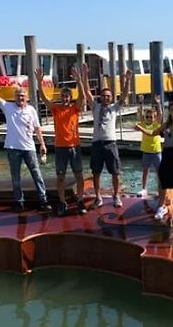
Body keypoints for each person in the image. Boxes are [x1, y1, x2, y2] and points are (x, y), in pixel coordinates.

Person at [0, 73, 51, 212]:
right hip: (13, 147)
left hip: (29, 148)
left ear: (26, 98)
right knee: (16, 177)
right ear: (14, 97)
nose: (20, 98)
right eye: (18, 96)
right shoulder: (8, 107)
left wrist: (42, 144)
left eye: (23, 96)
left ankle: (43, 199)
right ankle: (19, 201)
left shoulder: (31, 110)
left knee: (37, 174)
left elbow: (37, 128)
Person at [35, 64, 87, 216]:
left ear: (71, 98)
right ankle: (62, 202)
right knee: (60, 177)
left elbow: (83, 97)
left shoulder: (75, 109)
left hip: (74, 146)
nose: (65, 99)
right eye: (63, 96)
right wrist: (39, 82)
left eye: (67, 96)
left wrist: (79, 80)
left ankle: (80, 200)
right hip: (60, 148)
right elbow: (43, 98)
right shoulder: (56, 108)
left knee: (79, 175)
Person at [82, 68, 133, 208]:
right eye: (104, 95)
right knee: (96, 172)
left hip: (111, 143)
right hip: (97, 143)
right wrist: (85, 76)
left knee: (115, 172)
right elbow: (87, 92)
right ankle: (98, 197)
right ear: (100, 97)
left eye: (109, 96)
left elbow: (124, 95)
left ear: (111, 97)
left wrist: (127, 80)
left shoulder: (114, 108)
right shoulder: (95, 106)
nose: (106, 98)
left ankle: (116, 196)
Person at [134, 105, 162, 197]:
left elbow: (160, 114)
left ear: (155, 117)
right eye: (147, 117)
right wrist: (141, 104)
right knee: (145, 170)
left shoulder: (157, 124)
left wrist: (158, 104)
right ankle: (144, 188)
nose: (149, 118)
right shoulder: (143, 124)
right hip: (146, 151)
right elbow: (140, 114)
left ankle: (160, 189)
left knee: (159, 171)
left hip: (156, 151)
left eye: (151, 117)